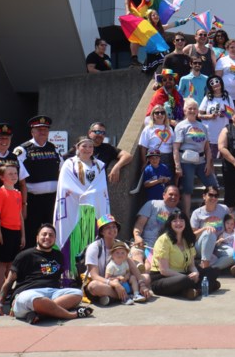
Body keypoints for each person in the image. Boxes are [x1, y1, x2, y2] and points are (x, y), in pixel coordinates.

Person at [0, 224, 92, 321]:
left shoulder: (58, 256)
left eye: (51, 235)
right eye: (44, 234)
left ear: (54, 239)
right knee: (37, 299)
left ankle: (39, 314)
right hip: (28, 293)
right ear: (37, 238)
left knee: (77, 293)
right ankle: (72, 315)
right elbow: (9, 282)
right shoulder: (24, 256)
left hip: (52, 293)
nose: (47, 237)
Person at [54, 136, 111, 273]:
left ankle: (91, 273)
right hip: (75, 207)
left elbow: (101, 186)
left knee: (93, 239)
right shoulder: (69, 163)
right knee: (74, 240)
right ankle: (70, 273)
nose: (87, 149)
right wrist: (84, 194)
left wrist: (90, 195)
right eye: (84, 146)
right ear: (77, 147)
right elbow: (65, 185)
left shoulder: (99, 165)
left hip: (93, 209)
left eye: (90, 146)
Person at [150, 211, 220, 299]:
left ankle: (193, 291)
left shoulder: (187, 239)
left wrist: (196, 273)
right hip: (163, 278)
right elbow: (164, 270)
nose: (178, 223)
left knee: (213, 271)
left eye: (181, 220)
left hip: (184, 274)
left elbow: (191, 265)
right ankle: (200, 288)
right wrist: (187, 277)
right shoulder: (164, 240)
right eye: (175, 221)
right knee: (188, 280)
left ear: (186, 223)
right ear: (169, 223)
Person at [14, 116, 61, 243]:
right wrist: (23, 204)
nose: (42, 132)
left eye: (45, 129)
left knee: (51, 231)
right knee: (32, 231)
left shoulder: (53, 148)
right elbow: (18, 177)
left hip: (52, 198)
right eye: (39, 129)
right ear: (32, 132)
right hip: (32, 200)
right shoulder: (23, 150)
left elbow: (61, 169)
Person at [83, 216, 150, 306]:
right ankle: (129, 295)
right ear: (102, 232)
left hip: (122, 281)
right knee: (94, 286)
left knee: (146, 277)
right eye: (108, 227)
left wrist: (142, 284)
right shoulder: (94, 247)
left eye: (114, 226)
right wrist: (114, 284)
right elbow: (95, 276)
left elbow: (132, 267)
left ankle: (114, 297)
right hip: (104, 282)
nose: (112, 229)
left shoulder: (122, 245)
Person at [173, 99, 218, 215]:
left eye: (194, 108)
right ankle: (187, 217)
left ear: (198, 110)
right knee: (187, 190)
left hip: (201, 161)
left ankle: (206, 211)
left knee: (213, 185)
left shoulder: (203, 127)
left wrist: (208, 163)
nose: (192, 111)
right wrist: (177, 166)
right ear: (184, 110)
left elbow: (207, 148)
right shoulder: (180, 126)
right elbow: (176, 148)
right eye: (190, 108)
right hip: (186, 161)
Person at [0, 163, 25, 298]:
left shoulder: (17, 193)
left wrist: (23, 235)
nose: (14, 176)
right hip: (5, 231)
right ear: (2, 177)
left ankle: (9, 288)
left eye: (15, 173)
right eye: (10, 174)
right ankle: (1, 291)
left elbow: (20, 215)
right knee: (2, 263)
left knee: (11, 262)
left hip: (16, 231)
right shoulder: (0, 193)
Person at [132, 185, 181, 263]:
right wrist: (137, 236)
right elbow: (139, 224)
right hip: (145, 244)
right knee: (136, 256)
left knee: (149, 265)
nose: (173, 197)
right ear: (164, 195)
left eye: (176, 195)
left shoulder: (179, 213)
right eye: (171, 194)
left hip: (163, 248)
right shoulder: (152, 204)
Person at [190, 187, 231, 271]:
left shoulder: (224, 209)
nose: (213, 198)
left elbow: (231, 222)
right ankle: (205, 265)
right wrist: (204, 229)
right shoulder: (197, 213)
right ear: (204, 196)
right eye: (211, 195)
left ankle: (208, 270)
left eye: (216, 196)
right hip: (201, 246)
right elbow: (192, 235)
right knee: (209, 232)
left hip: (218, 244)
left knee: (234, 254)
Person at [199, 76, 235, 161]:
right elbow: (199, 115)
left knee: (223, 157)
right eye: (212, 83)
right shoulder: (207, 98)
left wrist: (224, 114)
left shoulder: (227, 97)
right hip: (210, 132)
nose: (215, 84)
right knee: (210, 158)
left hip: (223, 131)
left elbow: (233, 114)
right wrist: (210, 116)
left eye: (217, 82)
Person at [138, 106, 175, 188]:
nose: (160, 114)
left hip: (168, 158)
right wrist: (144, 162)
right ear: (153, 115)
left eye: (162, 112)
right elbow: (143, 147)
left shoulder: (170, 129)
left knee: (168, 184)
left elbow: (174, 146)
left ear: (165, 115)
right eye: (157, 112)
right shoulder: (148, 129)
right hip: (154, 158)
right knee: (154, 183)